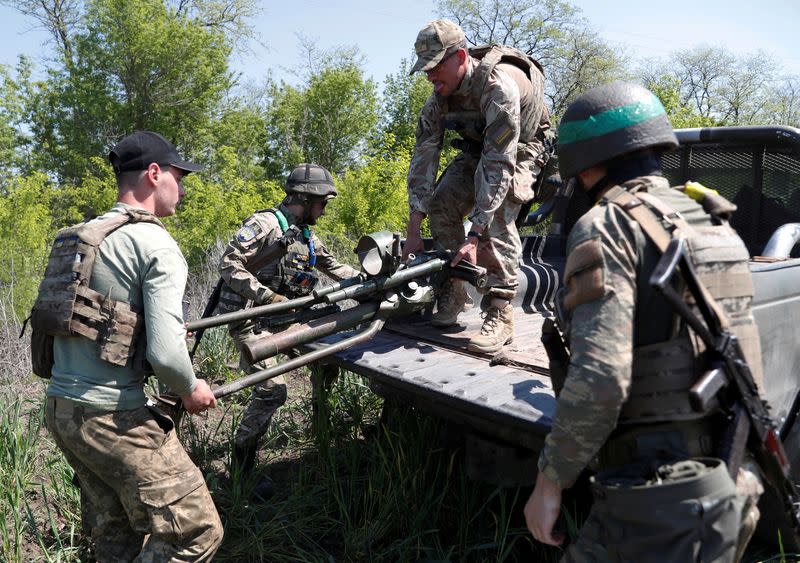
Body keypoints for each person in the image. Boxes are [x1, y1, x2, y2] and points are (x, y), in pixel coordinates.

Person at [524, 83, 764, 562]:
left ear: (586, 161)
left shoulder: (607, 225)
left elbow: (602, 378)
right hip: (732, 479)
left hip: (656, 498)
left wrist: (550, 483)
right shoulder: (712, 220)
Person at [41, 131, 223, 561]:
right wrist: (190, 387)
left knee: (115, 530)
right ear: (154, 174)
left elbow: (97, 324)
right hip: (111, 415)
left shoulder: (87, 233)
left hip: (62, 411)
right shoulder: (154, 242)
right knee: (196, 532)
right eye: (180, 176)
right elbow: (166, 355)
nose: (183, 188)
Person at [404, 18, 552, 353]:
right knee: (442, 203)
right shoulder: (438, 99)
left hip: (524, 148)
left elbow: (499, 162)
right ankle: (455, 291)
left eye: (435, 67)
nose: (430, 76)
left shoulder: (499, 86)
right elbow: (424, 157)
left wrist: (474, 234)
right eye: (425, 69)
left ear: (459, 56)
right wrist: (415, 226)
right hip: (478, 148)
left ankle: (500, 311)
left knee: (495, 215)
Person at [218, 163, 359, 499]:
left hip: (290, 322)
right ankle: (241, 472)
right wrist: (268, 297)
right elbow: (229, 264)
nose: (324, 212)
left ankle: (323, 436)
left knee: (331, 359)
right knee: (272, 391)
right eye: (323, 204)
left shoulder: (307, 235)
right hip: (253, 322)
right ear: (307, 198)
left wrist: (371, 280)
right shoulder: (265, 224)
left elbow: (335, 267)